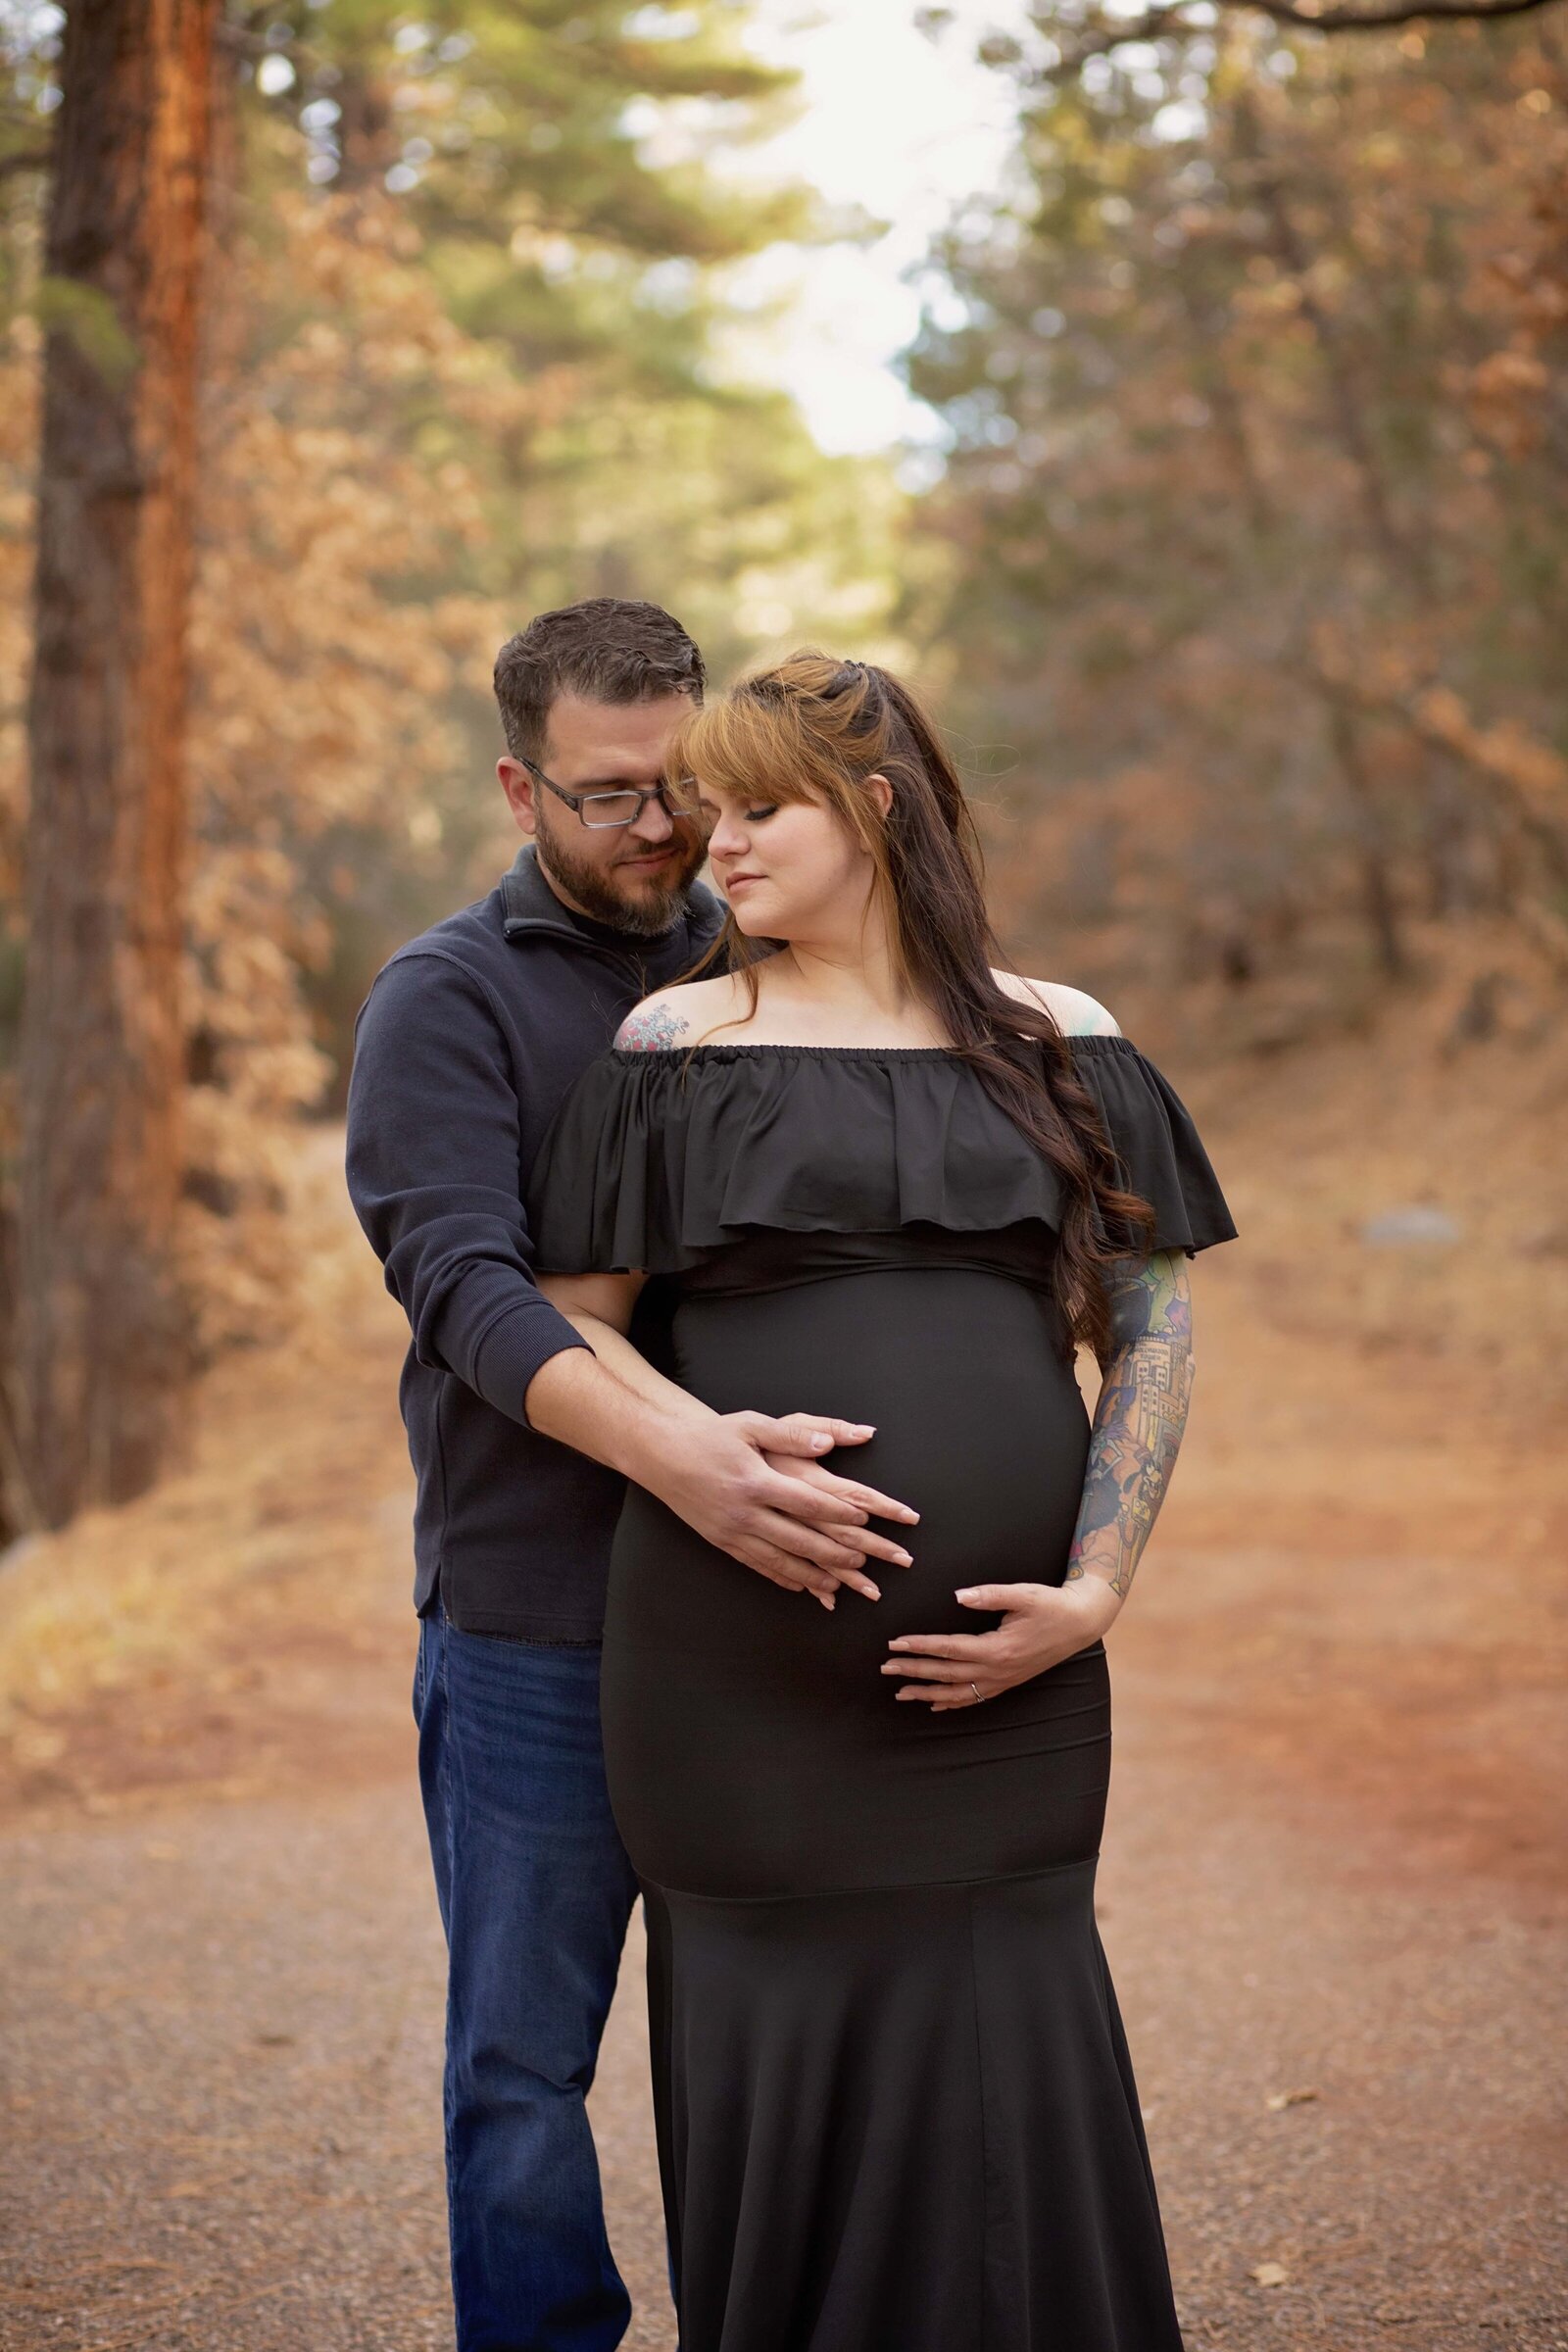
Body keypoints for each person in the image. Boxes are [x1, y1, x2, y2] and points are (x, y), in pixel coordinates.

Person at [524, 649, 1239, 2352]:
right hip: (736, 1683)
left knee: (1017, 2044)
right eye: (708, 813)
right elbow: (571, 1323)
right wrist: (706, 1462)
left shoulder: (1061, 1039)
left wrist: (1097, 1589)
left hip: (1015, 1699)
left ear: (877, 807)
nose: (718, 848)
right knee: (786, 2061)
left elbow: (1151, 1322)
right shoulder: (678, 1043)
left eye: (758, 809)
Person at [345, 604, 919, 2352]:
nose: (667, 830)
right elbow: (464, 1286)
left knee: (784, 2025)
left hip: (775, 1604)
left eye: (688, 786)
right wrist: (688, 1463)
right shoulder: (445, 1001)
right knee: (524, 2062)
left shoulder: (778, 954)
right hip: (546, 1621)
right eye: (610, 797)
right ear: (520, 785)